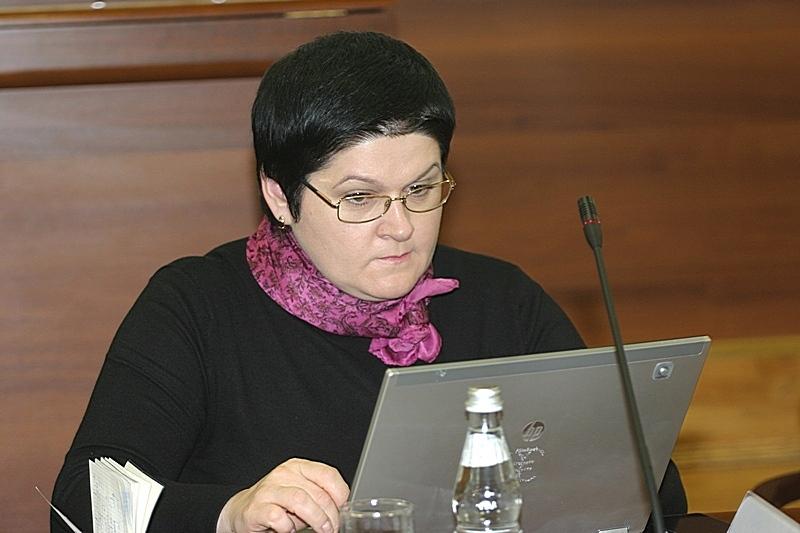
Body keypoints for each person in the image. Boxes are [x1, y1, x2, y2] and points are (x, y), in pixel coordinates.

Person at [51, 31, 685, 532]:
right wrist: (228, 513)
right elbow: (82, 500)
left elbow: (656, 494)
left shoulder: (502, 301)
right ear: (280, 195)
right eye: (359, 198)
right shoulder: (197, 307)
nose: (400, 227)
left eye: (421, 189)